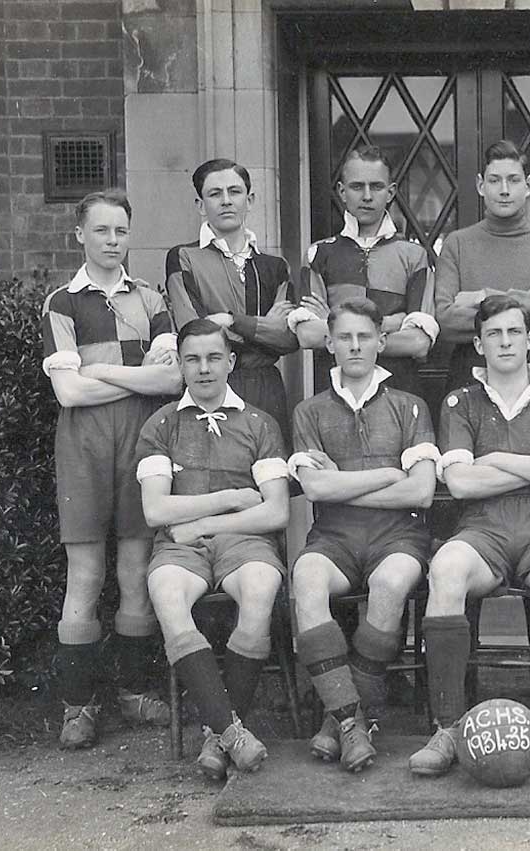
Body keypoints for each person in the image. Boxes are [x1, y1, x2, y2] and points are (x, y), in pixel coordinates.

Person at [409, 295, 530, 777]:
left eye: (514, 332)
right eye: (494, 334)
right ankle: (448, 726)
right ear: (478, 344)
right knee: (446, 568)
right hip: (483, 529)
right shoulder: (460, 401)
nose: (506, 341)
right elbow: (463, 483)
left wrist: (499, 460)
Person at [40, 188, 183, 749]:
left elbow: (171, 380)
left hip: (141, 443)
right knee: (87, 575)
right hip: (83, 446)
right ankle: (78, 707)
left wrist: (101, 373)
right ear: (80, 235)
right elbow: (68, 393)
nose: (112, 241)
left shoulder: (149, 299)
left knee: (134, 571)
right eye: (101, 231)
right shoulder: (63, 302)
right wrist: (132, 370)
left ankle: (134, 692)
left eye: (121, 230)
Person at [136, 318, 292, 780]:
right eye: (192, 359)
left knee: (262, 586)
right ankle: (231, 731)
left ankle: (216, 732)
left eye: (213, 358)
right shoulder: (160, 425)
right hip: (181, 549)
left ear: (231, 361)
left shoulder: (259, 423)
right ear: (181, 365)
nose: (204, 369)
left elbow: (276, 512)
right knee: (167, 593)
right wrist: (228, 497)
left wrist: (203, 520)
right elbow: (154, 509)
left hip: (244, 541)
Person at [289, 298, 438, 773]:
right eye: (345, 338)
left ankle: (341, 722)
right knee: (307, 579)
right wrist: (388, 475)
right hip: (333, 537)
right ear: (329, 344)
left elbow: (422, 493)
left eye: (365, 337)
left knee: (391, 585)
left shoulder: (409, 406)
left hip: (399, 537)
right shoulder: (309, 411)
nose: (355, 346)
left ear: (381, 341)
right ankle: (353, 720)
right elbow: (314, 487)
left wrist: (344, 486)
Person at [163, 158, 302, 442]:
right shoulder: (183, 257)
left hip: (266, 385)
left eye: (234, 192)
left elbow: (289, 339)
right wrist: (263, 329)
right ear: (201, 205)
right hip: (212, 384)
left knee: (271, 472)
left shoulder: (275, 266)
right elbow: (194, 332)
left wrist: (229, 321)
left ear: (249, 200)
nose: (226, 201)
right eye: (215, 194)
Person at [290, 146, 438, 401]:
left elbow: (418, 342)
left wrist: (336, 328)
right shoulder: (319, 254)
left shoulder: (414, 255)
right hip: (335, 395)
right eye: (357, 186)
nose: (367, 196)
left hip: (400, 393)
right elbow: (307, 335)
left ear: (391, 192)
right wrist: (392, 323)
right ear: (342, 191)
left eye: (377, 187)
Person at [433, 140, 530, 392]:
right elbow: (446, 320)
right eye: (494, 180)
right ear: (480, 185)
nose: (504, 190)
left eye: (513, 180)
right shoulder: (456, 244)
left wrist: (484, 297)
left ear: (528, 185)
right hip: (471, 378)